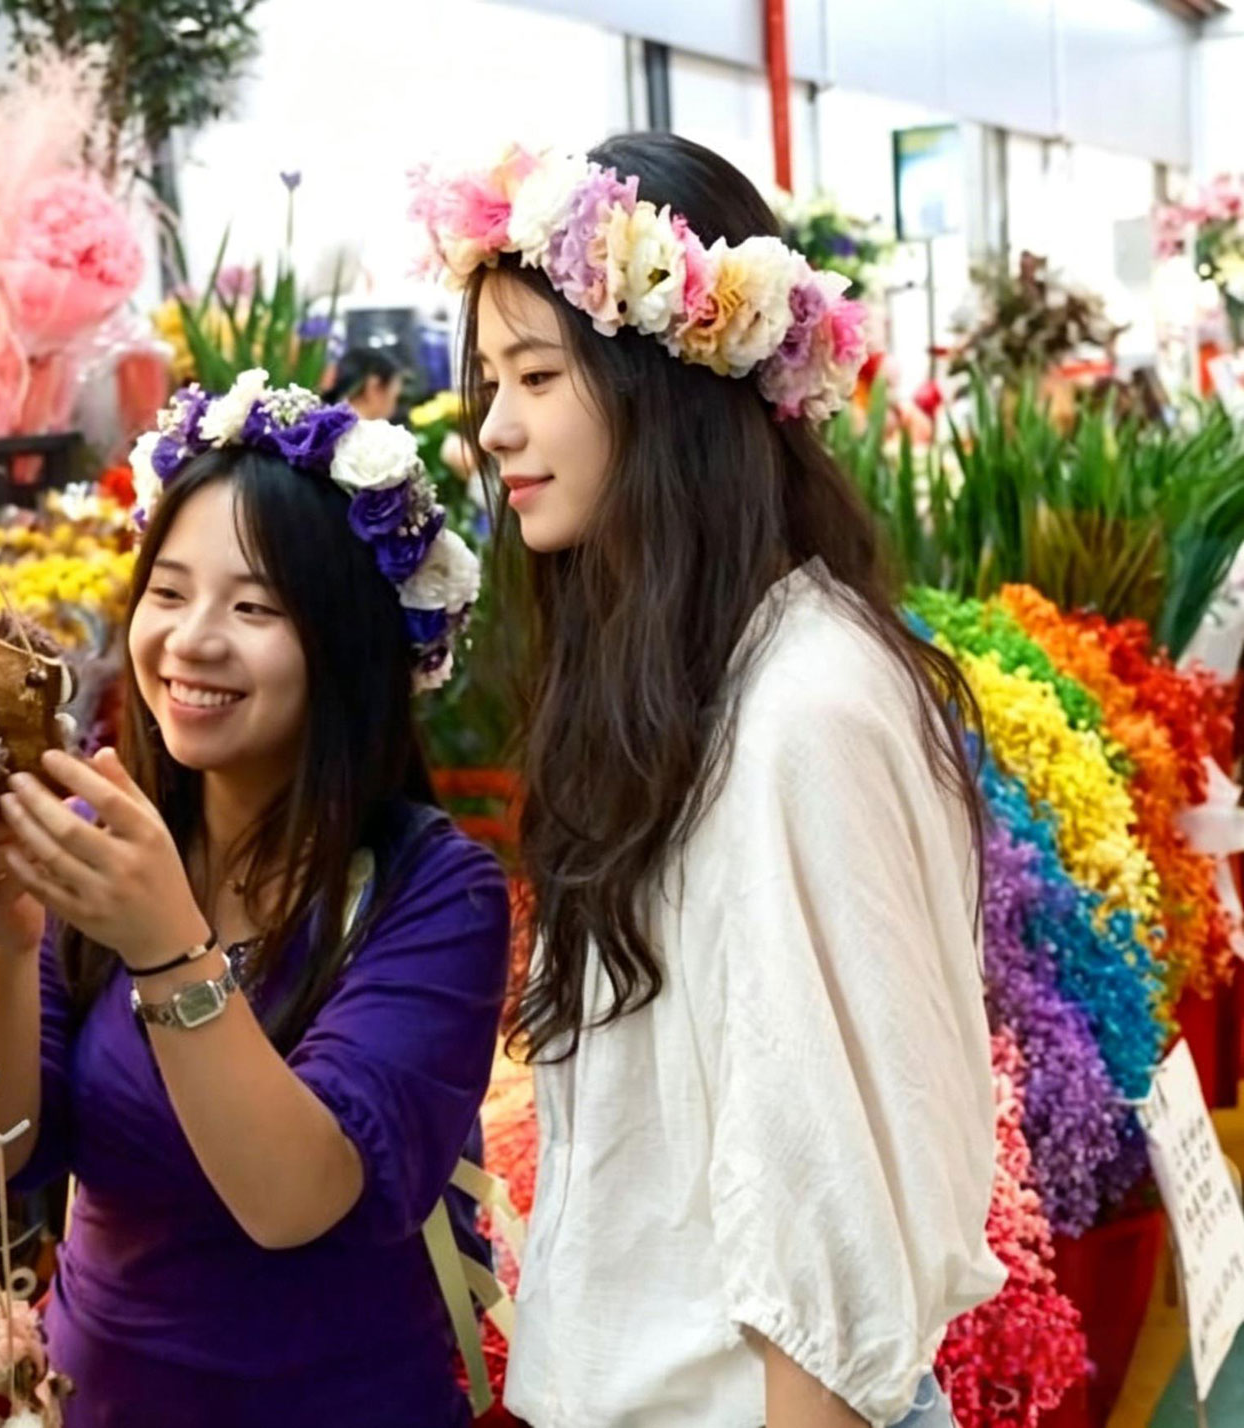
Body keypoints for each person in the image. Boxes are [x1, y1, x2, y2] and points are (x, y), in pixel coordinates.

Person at [413, 133, 1005, 1427]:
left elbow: (827, 1208)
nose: (495, 424)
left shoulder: (802, 710)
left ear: (667, 384)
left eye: (537, 374)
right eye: (489, 378)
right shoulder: (688, 684)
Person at [0, 370, 507, 1427]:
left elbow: (295, 1198)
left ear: (346, 645)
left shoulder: (437, 893)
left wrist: (165, 949)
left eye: (253, 607)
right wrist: (3, 951)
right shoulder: (113, 835)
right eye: (168, 592)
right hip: (93, 1397)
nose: (190, 639)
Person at [324, 345, 406, 420]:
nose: (393, 410)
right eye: (394, 398)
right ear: (374, 386)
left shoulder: (317, 425)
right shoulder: (384, 434)